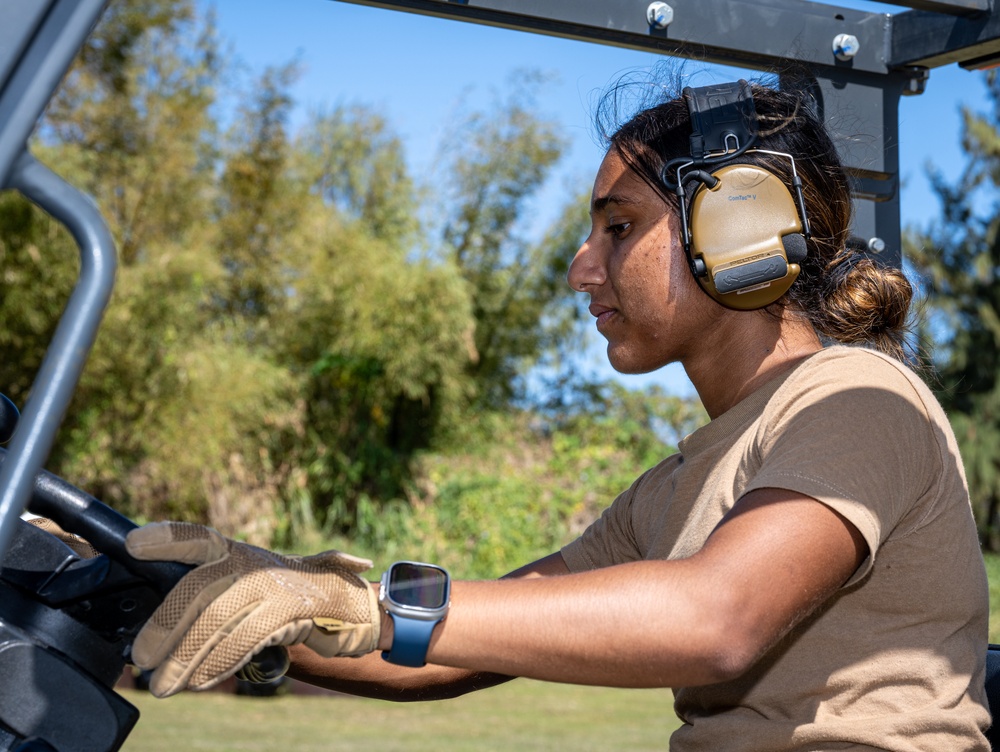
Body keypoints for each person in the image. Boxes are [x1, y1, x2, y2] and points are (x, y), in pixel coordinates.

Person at [123, 76, 991, 750]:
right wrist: (265, 597)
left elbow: (716, 618)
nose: (583, 269)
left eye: (618, 228)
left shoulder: (862, 398)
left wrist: (381, 608)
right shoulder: (676, 488)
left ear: (741, 230)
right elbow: (471, 639)